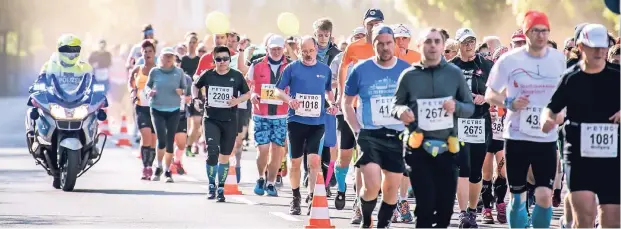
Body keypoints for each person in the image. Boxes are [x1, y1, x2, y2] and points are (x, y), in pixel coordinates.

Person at [484, 10, 566, 228]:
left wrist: (560, 115)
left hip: (545, 138)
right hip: (517, 136)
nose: (541, 35)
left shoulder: (559, 60)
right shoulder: (509, 60)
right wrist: (509, 102)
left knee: (544, 196)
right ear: (526, 32)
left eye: (545, 31)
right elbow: (490, 94)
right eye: (536, 31)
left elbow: (569, 95)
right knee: (518, 197)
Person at [392, 27, 475, 228]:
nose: (433, 45)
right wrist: (401, 111)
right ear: (419, 46)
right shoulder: (409, 75)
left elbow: (470, 107)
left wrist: (457, 107)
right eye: (428, 41)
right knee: (426, 205)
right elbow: (396, 104)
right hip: (417, 148)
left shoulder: (454, 74)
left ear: (442, 46)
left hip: (447, 149)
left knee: (446, 210)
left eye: (437, 41)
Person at [543, 23, 620, 229]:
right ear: (580, 47)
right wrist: (548, 119)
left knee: (612, 221)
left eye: (603, 46)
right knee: (585, 218)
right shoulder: (571, 78)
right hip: (579, 155)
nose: (599, 51)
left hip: (612, 157)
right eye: (593, 46)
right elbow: (551, 108)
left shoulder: (617, 76)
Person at [342, 25, 411, 228]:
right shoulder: (360, 70)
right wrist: (356, 129)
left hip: (397, 135)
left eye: (389, 43)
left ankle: (382, 224)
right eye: (380, 44)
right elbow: (346, 103)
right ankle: (366, 219)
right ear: (373, 45)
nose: (385, 48)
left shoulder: (406, 70)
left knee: (391, 189)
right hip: (369, 134)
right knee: (371, 185)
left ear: (395, 44)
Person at [275, 36, 337, 215]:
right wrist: (289, 100)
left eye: (311, 51)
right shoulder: (292, 68)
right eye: (304, 51)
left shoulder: (324, 69)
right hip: (296, 121)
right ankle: (296, 197)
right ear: (300, 50)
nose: (308, 55)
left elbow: (327, 91)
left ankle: (311, 196)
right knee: (295, 162)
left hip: (317, 122)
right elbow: (278, 90)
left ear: (316, 49)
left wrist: (331, 104)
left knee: (314, 160)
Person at [337, 9, 384, 223]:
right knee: (359, 156)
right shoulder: (354, 48)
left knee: (380, 160)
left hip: (381, 111)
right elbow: (343, 70)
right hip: (356, 108)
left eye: (377, 22)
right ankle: (358, 203)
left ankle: (379, 202)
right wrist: (341, 95)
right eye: (370, 23)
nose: (373, 26)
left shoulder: (387, 46)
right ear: (364, 24)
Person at [29, 34, 96, 183]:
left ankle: (91, 145)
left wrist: (99, 93)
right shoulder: (50, 65)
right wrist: (37, 88)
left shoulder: (85, 66)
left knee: (94, 114)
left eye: (74, 50)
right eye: (67, 49)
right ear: (59, 49)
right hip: (56, 102)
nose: (70, 54)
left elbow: (94, 84)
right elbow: (40, 80)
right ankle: (36, 139)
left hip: (78, 103)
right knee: (33, 112)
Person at [192, 46, 250, 202]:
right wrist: (196, 99)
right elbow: (195, 86)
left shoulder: (236, 76)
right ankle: (211, 185)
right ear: (214, 60)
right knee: (212, 153)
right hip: (211, 118)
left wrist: (237, 100)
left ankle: (221, 188)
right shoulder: (208, 75)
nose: (222, 62)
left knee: (224, 156)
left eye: (225, 59)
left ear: (229, 60)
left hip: (230, 120)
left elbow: (248, 93)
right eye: (219, 59)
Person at [450, 27, 494, 228]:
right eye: (465, 42)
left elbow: (498, 91)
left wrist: (485, 98)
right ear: (458, 44)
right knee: (462, 168)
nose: (469, 46)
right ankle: (462, 213)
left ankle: (473, 210)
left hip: (480, 122)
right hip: (458, 124)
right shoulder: (450, 67)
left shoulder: (486, 65)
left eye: (472, 42)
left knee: (476, 169)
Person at [247, 34, 290, 197]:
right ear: (267, 49)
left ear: (283, 48)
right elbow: (248, 83)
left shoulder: (290, 66)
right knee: (263, 149)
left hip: (281, 115)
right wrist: (252, 95)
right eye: (273, 49)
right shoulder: (257, 64)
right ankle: (260, 177)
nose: (277, 52)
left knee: (277, 150)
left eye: (279, 48)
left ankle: (271, 182)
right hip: (261, 114)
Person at [144, 47, 187, 183]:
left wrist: (182, 92)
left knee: (169, 141)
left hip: (174, 110)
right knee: (161, 139)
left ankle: (168, 170)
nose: (169, 59)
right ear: (161, 58)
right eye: (166, 56)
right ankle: (158, 166)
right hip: (157, 108)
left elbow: (185, 88)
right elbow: (147, 86)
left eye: (171, 56)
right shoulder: (155, 71)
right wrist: (149, 91)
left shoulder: (179, 72)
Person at [309, 17, 341, 196]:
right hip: (309, 104)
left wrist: (328, 84)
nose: (322, 38)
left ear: (330, 35)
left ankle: (326, 182)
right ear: (315, 35)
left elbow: (339, 79)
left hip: (329, 103)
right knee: (311, 141)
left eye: (326, 35)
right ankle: (310, 174)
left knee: (328, 142)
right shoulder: (308, 51)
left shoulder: (336, 54)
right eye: (320, 35)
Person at [128, 39, 158, 180]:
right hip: (141, 107)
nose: (147, 54)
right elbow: (131, 83)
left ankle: (149, 166)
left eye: (150, 51)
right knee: (145, 135)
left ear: (154, 53)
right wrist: (133, 93)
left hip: (157, 108)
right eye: (145, 51)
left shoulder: (159, 70)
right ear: (142, 53)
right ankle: (145, 167)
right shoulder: (137, 69)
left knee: (153, 139)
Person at [179, 32, 201, 158]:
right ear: (186, 44)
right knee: (185, 123)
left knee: (197, 123)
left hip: (197, 94)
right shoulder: (183, 60)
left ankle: (189, 145)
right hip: (185, 95)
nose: (192, 45)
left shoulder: (199, 60)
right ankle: (182, 147)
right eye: (190, 43)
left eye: (194, 42)